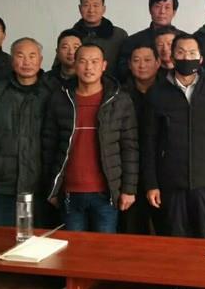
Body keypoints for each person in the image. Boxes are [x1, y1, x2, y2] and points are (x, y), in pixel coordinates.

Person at [143, 33, 205, 239]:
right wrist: (151, 184)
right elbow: (149, 142)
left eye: (192, 53)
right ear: (172, 58)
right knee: (175, 243)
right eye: (181, 53)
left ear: (200, 58)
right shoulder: (156, 93)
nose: (187, 58)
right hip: (170, 182)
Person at [43, 42, 139, 233]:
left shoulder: (119, 100)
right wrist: (51, 188)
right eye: (83, 61)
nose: (89, 67)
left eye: (94, 62)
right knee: (73, 248)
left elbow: (130, 148)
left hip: (106, 192)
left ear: (104, 65)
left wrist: (129, 189)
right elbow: (48, 146)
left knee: (104, 248)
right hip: (70, 192)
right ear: (75, 64)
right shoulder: (60, 98)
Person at [0, 38, 50, 226]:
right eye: (20, 56)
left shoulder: (52, 92)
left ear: (40, 60)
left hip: (41, 185)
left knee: (39, 240)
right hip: (3, 185)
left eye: (32, 56)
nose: (26, 62)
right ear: (11, 60)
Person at [120, 43, 162, 235]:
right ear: (129, 64)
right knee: (133, 230)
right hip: (130, 172)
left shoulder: (169, 92)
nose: (142, 65)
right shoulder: (120, 95)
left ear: (158, 63)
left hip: (162, 172)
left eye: (147, 60)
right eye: (136, 60)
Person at [118, 0, 179, 80]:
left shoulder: (185, 40)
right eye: (157, 6)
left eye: (167, 7)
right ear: (150, 10)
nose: (162, 11)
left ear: (174, 12)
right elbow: (123, 72)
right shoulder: (132, 41)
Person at [70, 0, 128, 77]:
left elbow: (126, 67)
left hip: (112, 84)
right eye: (86, 5)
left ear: (103, 9)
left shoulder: (119, 35)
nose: (91, 10)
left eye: (95, 5)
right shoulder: (71, 36)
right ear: (80, 8)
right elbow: (60, 67)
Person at [42, 29, 83, 93]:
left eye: (76, 47)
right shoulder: (45, 80)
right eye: (65, 47)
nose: (71, 52)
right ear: (57, 52)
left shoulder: (89, 79)